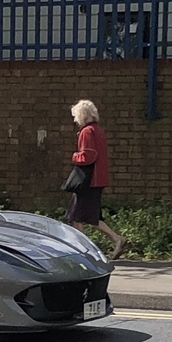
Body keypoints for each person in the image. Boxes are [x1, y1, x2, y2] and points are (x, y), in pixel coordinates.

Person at [66, 100, 124, 260]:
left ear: (81, 115)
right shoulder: (98, 130)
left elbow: (88, 155)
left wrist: (74, 157)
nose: (75, 120)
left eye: (75, 116)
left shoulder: (87, 132)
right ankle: (117, 239)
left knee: (76, 216)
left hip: (88, 180)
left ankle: (85, 251)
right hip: (98, 179)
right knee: (92, 216)